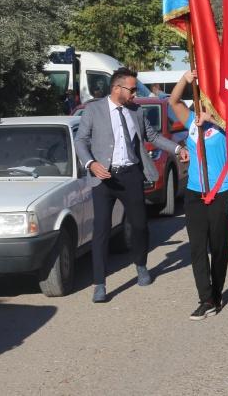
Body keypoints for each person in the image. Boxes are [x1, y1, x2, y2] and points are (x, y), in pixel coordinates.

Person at [75, 67, 182, 303]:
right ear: (117, 88)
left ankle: (141, 265)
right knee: (101, 230)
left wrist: (177, 148)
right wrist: (91, 163)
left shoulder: (137, 111)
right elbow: (80, 140)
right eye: (132, 89)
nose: (135, 94)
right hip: (103, 177)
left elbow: (152, 137)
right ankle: (99, 283)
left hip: (131, 174)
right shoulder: (94, 110)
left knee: (140, 225)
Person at [169, 71, 228, 320]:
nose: (201, 104)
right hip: (195, 193)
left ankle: (217, 293)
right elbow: (173, 102)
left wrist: (214, 120)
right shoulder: (192, 122)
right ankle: (205, 298)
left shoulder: (225, 124)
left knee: (218, 247)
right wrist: (185, 79)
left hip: (222, 192)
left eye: (206, 100)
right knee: (197, 247)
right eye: (200, 100)